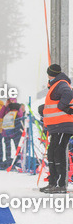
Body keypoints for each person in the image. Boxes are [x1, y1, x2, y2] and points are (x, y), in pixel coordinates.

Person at [41, 63, 73, 193]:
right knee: (52, 152)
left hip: (63, 124)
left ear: (50, 74)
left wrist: (62, 106)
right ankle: (53, 182)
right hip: (56, 126)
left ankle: (60, 185)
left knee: (58, 152)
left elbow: (68, 93)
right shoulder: (56, 84)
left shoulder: (61, 83)